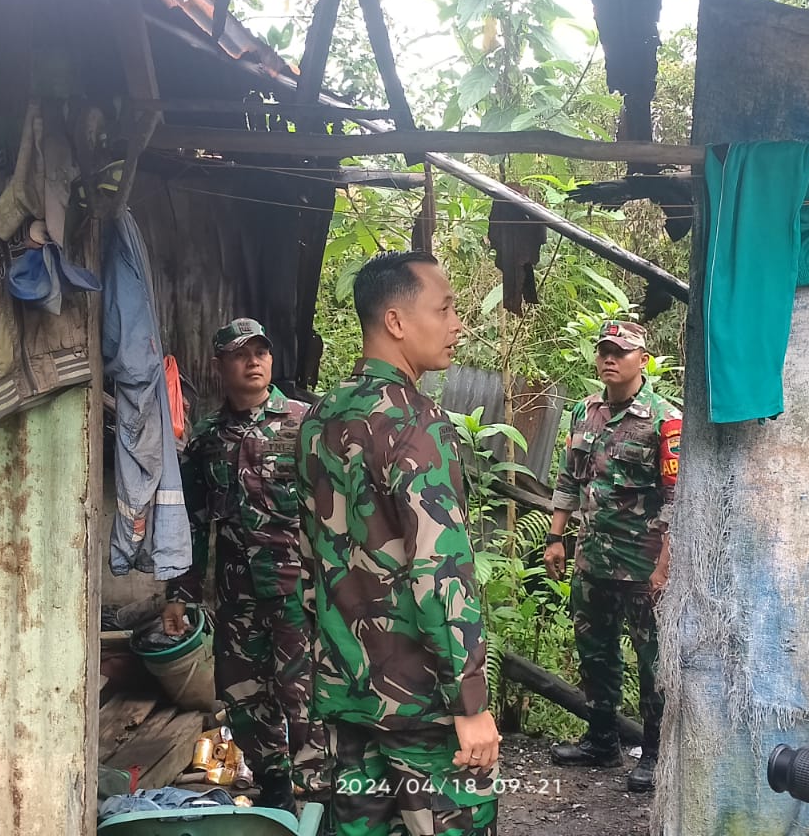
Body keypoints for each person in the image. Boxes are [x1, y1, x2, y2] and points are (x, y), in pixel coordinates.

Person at [296, 250, 500, 836]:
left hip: (348, 692)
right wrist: (470, 702)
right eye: (445, 309)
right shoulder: (417, 423)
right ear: (395, 321)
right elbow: (439, 572)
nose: (457, 324)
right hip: (423, 707)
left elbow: (311, 559)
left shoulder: (320, 418)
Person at [164, 317, 324, 812]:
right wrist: (180, 593)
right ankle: (275, 787)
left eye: (261, 352)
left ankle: (322, 797)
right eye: (240, 354)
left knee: (305, 696)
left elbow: (336, 510)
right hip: (237, 597)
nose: (253, 362)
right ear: (220, 365)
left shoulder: (305, 423)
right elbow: (192, 522)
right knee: (243, 696)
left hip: (299, 592)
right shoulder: (207, 438)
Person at [545, 320, 682, 793]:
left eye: (620, 352)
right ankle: (601, 741)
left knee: (653, 663)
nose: (609, 358)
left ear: (642, 359)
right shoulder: (585, 411)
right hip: (593, 559)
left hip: (644, 566)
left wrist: (665, 566)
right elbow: (569, 477)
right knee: (595, 653)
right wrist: (556, 537)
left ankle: (656, 755)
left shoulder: (664, 419)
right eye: (604, 349)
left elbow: (677, 498)